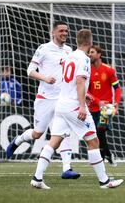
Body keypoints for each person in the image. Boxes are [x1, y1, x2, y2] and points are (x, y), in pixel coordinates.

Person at [30, 29, 124, 189]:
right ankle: (105, 181)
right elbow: (80, 81)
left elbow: (71, 81)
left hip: (61, 103)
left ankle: (37, 178)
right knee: (93, 141)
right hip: (74, 106)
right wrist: (82, 105)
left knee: (54, 141)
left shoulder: (69, 56)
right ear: (90, 41)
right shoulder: (84, 59)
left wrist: (84, 96)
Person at [6, 21, 80, 179]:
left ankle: (67, 168)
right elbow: (30, 71)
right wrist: (45, 78)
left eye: (66, 31)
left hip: (62, 99)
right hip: (45, 98)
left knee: (62, 133)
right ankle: (18, 140)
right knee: (37, 133)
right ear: (53, 32)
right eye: (61, 31)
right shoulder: (43, 49)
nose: (65, 34)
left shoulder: (69, 51)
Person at [87, 45, 121, 166]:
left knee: (100, 129)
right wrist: (97, 101)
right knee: (94, 133)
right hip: (92, 107)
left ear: (99, 54)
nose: (89, 54)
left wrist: (116, 102)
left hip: (106, 108)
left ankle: (100, 158)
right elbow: (86, 91)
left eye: (92, 52)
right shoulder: (87, 70)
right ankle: (107, 154)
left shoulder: (108, 70)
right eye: (89, 52)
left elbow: (117, 88)